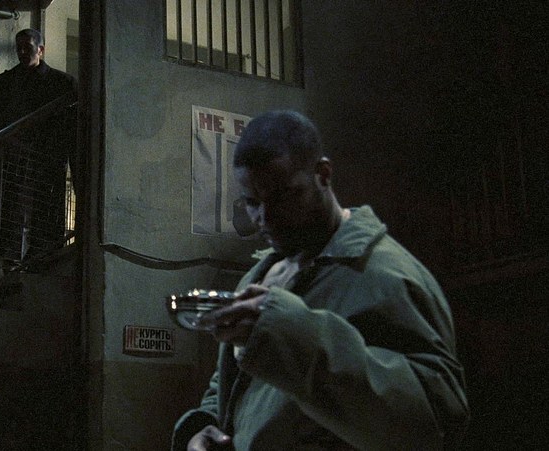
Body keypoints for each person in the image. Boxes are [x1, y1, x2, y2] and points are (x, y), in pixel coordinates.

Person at [172, 110, 469, 450]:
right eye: (252, 202)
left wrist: (290, 335)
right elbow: (235, 388)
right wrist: (204, 426)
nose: (264, 218)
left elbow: (435, 422)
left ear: (323, 175)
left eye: (282, 196)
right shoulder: (261, 275)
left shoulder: (386, 276)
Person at [0, 28, 77, 266]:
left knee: (42, 217)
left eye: (28, 48)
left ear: (41, 50)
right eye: (19, 48)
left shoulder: (63, 84)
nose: (22, 52)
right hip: (11, 165)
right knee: (10, 218)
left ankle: (38, 262)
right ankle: (11, 265)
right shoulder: (5, 83)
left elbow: (73, 130)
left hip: (45, 165)